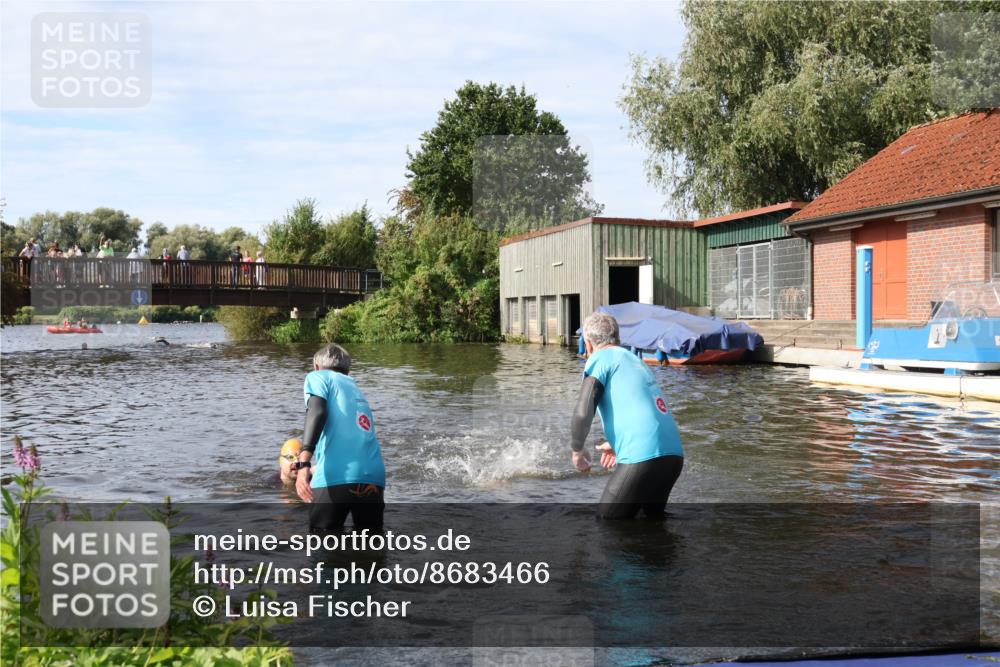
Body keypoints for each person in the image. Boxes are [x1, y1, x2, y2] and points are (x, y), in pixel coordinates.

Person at [570, 312, 684, 519]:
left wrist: (577, 450)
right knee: (652, 525)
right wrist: (617, 443)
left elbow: (583, 411)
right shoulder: (635, 361)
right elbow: (642, 405)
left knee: (608, 525)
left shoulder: (599, 358)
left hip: (643, 455)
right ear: (617, 338)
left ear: (588, 343)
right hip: (673, 456)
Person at [295, 343, 386, 534]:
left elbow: (317, 412)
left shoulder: (318, 377)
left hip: (338, 476)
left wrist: (303, 464)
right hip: (374, 477)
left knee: (322, 544)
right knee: (372, 547)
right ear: (348, 370)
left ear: (317, 366)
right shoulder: (354, 387)